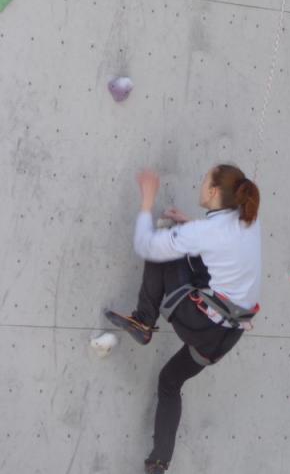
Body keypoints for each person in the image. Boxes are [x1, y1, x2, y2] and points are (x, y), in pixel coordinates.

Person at [105, 164, 262, 473]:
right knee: (170, 381)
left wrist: (147, 201)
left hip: (201, 323)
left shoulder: (206, 232)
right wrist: (190, 226)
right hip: (225, 338)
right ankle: (158, 464)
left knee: (162, 238)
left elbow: (145, 246)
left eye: (204, 180)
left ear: (214, 192)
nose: (200, 183)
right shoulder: (249, 221)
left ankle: (143, 321)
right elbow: (221, 244)